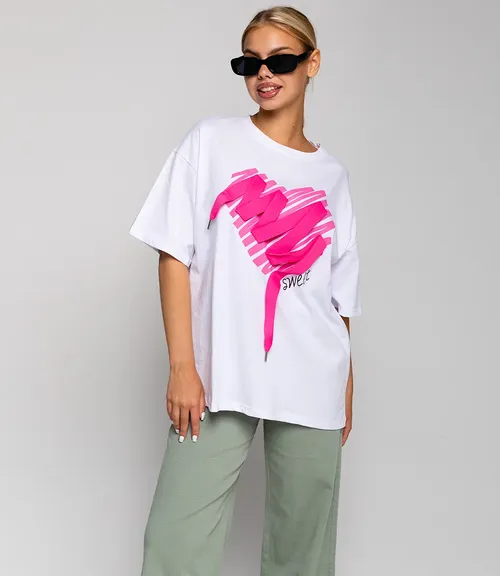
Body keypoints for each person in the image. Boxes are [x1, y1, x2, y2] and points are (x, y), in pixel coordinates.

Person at [129, 6, 362, 576]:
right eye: (250, 63)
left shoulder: (332, 176)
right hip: (219, 376)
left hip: (313, 378)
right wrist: (182, 366)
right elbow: (172, 253)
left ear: (312, 63)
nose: (264, 74)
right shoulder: (211, 142)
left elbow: (337, 296)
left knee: (302, 555)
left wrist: (346, 383)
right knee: (175, 542)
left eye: (280, 61)